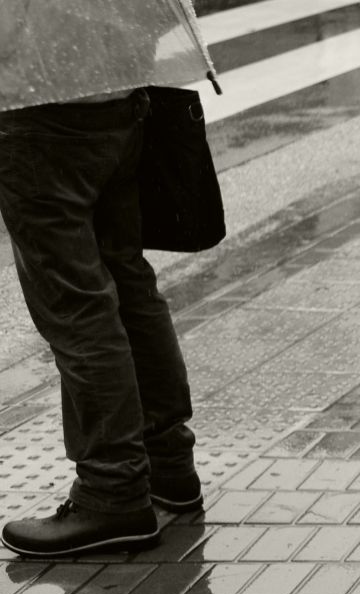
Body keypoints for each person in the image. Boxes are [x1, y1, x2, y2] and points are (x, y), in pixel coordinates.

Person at [0, 2, 208, 557]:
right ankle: (167, 466)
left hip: (38, 102)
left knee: (76, 306)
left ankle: (113, 494)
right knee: (126, 279)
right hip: (118, 93)